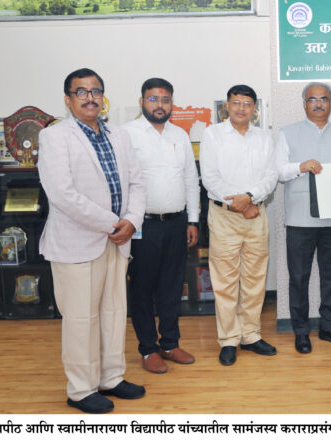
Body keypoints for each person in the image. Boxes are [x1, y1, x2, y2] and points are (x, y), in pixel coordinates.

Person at [38, 68, 146, 414]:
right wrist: (113, 223)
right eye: (81, 92)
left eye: (96, 91)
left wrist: (131, 221)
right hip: (77, 243)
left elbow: (136, 185)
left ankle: (110, 377)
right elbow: (62, 194)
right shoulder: (55, 137)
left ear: (104, 97)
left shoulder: (119, 135)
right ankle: (81, 389)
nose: (90, 97)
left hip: (118, 240)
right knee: (81, 318)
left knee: (114, 312)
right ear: (68, 99)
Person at [122, 78, 200, 374]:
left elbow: (191, 181)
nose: (160, 104)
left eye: (165, 99)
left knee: (171, 286)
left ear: (172, 103)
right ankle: (147, 349)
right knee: (142, 288)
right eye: (153, 99)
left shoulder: (180, 135)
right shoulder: (126, 134)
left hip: (177, 223)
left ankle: (170, 343)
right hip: (142, 225)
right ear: (142, 101)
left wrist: (192, 220)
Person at [200, 84, 278, 365]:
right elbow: (210, 177)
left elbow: (271, 176)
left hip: (256, 214)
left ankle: (251, 335)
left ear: (254, 109)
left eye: (247, 103)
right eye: (236, 103)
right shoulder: (212, 135)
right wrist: (239, 202)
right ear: (227, 107)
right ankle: (229, 339)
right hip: (224, 216)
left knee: (256, 279)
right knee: (225, 281)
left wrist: (251, 198)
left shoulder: (264, 137)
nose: (241, 108)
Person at [276, 82, 331, 353]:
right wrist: (301, 166)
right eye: (313, 100)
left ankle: (329, 327)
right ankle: (301, 330)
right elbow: (278, 171)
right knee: (299, 277)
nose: (318, 104)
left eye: (324, 99)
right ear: (304, 103)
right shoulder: (287, 133)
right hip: (300, 220)